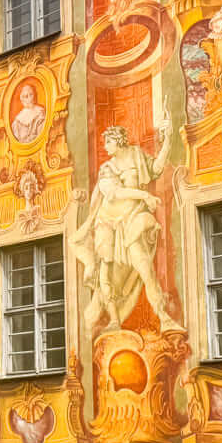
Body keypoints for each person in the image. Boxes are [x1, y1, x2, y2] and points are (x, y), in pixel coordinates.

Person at [72, 110, 182, 334]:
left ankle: (163, 316)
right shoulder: (107, 168)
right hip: (108, 222)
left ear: (118, 140)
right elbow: (114, 194)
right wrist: (145, 196)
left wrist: (168, 138)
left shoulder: (136, 155)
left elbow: (157, 169)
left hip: (133, 218)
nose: (105, 148)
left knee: (144, 266)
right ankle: (114, 320)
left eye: (108, 142)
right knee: (106, 272)